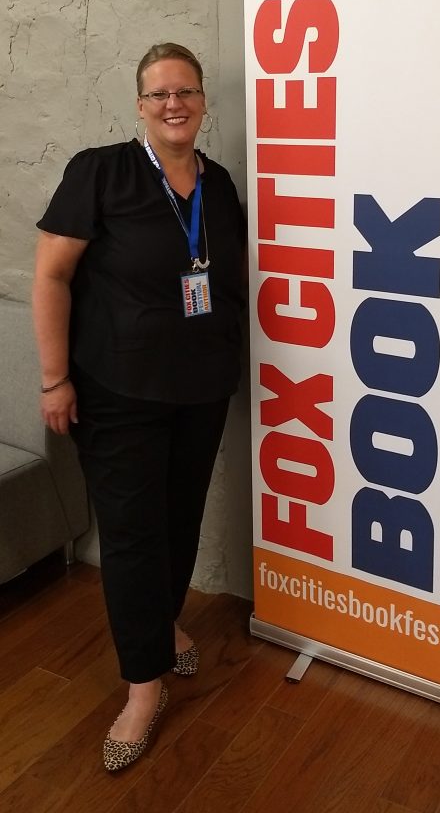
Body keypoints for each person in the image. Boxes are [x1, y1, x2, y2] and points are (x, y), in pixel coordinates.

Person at [32, 43, 246, 771]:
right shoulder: (101, 171)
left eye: (185, 91)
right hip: (117, 390)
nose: (173, 103)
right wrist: (55, 380)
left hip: (199, 389)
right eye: (158, 94)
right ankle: (142, 686)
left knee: (179, 516)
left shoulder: (216, 185)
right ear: (139, 105)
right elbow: (52, 277)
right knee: (129, 534)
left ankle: (163, 623)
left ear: (202, 104)